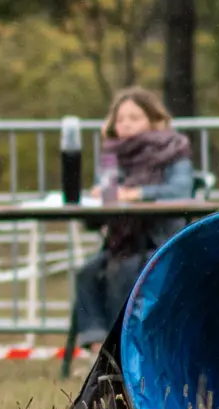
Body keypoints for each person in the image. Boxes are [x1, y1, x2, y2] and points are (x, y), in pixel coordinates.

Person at [69, 86, 196, 348]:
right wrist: (98, 198)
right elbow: (100, 210)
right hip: (121, 244)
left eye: (134, 117)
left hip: (161, 241)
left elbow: (180, 191)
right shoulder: (111, 155)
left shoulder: (174, 147)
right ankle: (101, 350)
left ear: (153, 119)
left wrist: (136, 194)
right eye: (120, 118)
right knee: (88, 272)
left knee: (123, 271)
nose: (125, 124)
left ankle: (126, 348)